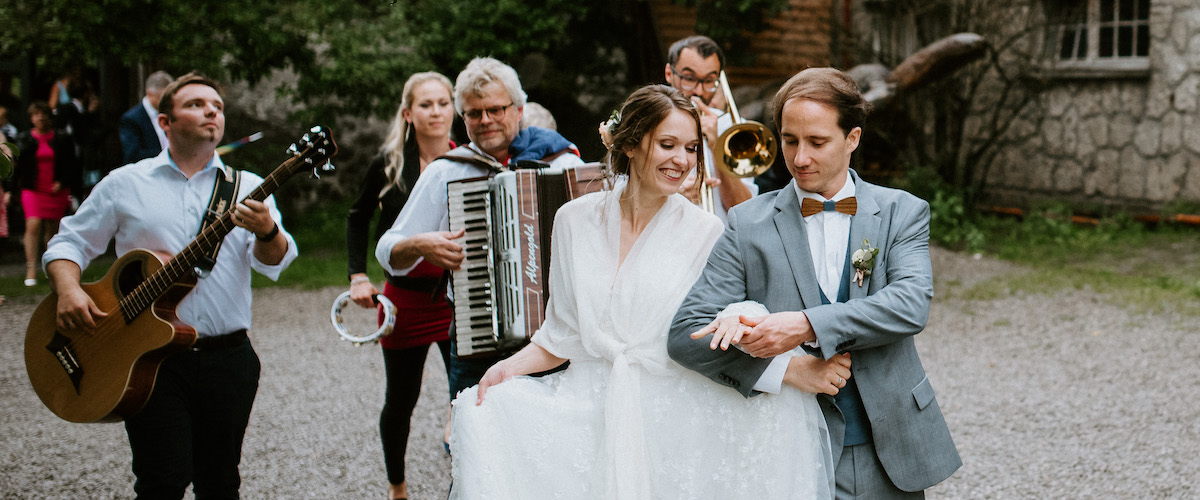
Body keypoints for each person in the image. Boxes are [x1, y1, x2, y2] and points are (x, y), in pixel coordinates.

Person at [447, 84, 845, 499]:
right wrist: (506, 369)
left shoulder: (706, 230)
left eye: (691, 148)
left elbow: (716, 330)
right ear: (633, 144)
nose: (682, 160)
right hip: (589, 406)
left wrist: (783, 366)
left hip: (670, 414)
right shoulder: (571, 220)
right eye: (668, 144)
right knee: (487, 415)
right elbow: (561, 335)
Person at [668, 67, 961, 499]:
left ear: (853, 139)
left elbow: (909, 304)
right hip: (791, 452)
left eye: (817, 142)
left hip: (891, 449)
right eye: (789, 140)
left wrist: (805, 324)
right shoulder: (747, 223)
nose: (799, 158)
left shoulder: (903, 211)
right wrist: (785, 368)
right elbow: (685, 334)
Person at [43, 71, 297, 499]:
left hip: (227, 358)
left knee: (220, 482)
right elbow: (69, 241)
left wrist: (269, 230)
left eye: (217, 106)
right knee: (161, 482)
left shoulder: (248, 187)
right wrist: (69, 290)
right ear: (165, 122)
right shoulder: (125, 183)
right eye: (197, 104)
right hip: (149, 360)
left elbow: (274, 261)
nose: (211, 112)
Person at [375, 57, 583, 406]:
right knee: (477, 447)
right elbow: (388, 249)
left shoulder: (562, 162)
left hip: (555, 337)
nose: (485, 120)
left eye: (495, 109)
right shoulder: (447, 172)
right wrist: (418, 244)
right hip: (480, 337)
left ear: (518, 109)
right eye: (473, 113)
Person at [344, 71, 457, 500]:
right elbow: (357, 218)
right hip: (403, 301)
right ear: (408, 114)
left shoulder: (466, 159)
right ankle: (397, 487)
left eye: (443, 103)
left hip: (453, 299)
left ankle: (468, 482)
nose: (436, 112)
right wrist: (357, 275)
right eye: (425, 105)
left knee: (466, 393)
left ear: (453, 108)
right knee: (401, 400)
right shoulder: (389, 164)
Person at [664, 35, 758, 223]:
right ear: (669, 74)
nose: (699, 91)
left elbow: (745, 211)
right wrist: (673, 192)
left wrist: (717, 145)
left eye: (709, 81)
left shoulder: (735, 129)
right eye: (689, 78)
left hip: (720, 246)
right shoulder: (648, 122)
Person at [13, 102, 79, 287]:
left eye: (44, 114)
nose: (40, 118)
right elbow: (17, 168)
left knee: (52, 229)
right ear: (31, 118)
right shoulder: (24, 139)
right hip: (32, 189)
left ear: (50, 117)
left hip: (55, 189)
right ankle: (30, 268)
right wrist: (11, 190)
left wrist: (62, 182)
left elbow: (72, 165)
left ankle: (51, 267)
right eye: (36, 115)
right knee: (33, 224)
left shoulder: (62, 138)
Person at [120, 70, 174, 164]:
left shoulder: (172, 112)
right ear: (149, 94)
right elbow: (133, 155)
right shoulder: (131, 119)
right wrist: (170, 154)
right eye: (162, 98)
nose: (167, 102)